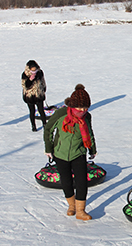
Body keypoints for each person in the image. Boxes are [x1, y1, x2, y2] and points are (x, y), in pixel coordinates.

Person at [44, 84, 97, 221]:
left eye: (85, 108)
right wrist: (49, 149)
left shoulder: (87, 117)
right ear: (72, 106)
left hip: (78, 152)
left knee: (81, 182)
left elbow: (89, 133)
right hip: (60, 153)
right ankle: (71, 206)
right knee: (66, 181)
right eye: (80, 107)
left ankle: (80, 211)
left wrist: (92, 149)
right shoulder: (61, 114)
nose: (82, 110)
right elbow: (48, 129)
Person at [21, 60, 47, 131]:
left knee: (41, 110)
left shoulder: (40, 73)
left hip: (38, 95)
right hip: (30, 96)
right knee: (32, 111)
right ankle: (33, 126)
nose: (34, 71)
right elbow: (24, 86)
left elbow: (43, 81)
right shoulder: (25, 75)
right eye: (32, 70)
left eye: (35, 70)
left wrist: (44, 89)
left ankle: (45, 124)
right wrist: (30, 80)